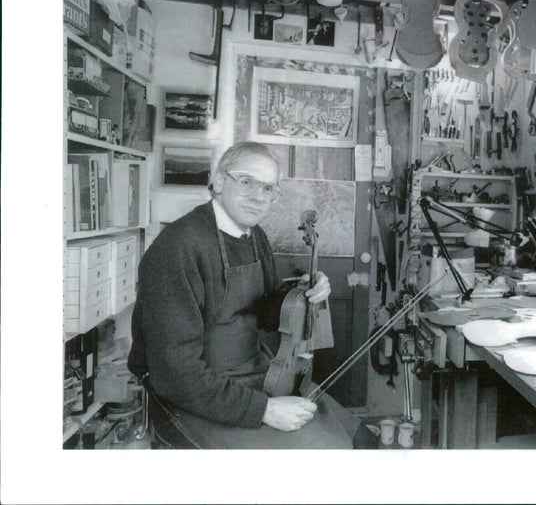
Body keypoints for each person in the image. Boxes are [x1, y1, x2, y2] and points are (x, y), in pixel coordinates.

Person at [128, 141, 374, 449]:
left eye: (269, 188)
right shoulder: (178, 248)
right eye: (247, 182)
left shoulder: (253, 235)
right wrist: (264, 410)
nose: (259, 197)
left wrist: (304, 291)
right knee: (329, 456)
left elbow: (265, 311)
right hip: (195, 398)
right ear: (218, 182)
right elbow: (176, 373)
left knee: (362, 438)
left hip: (257, 376)